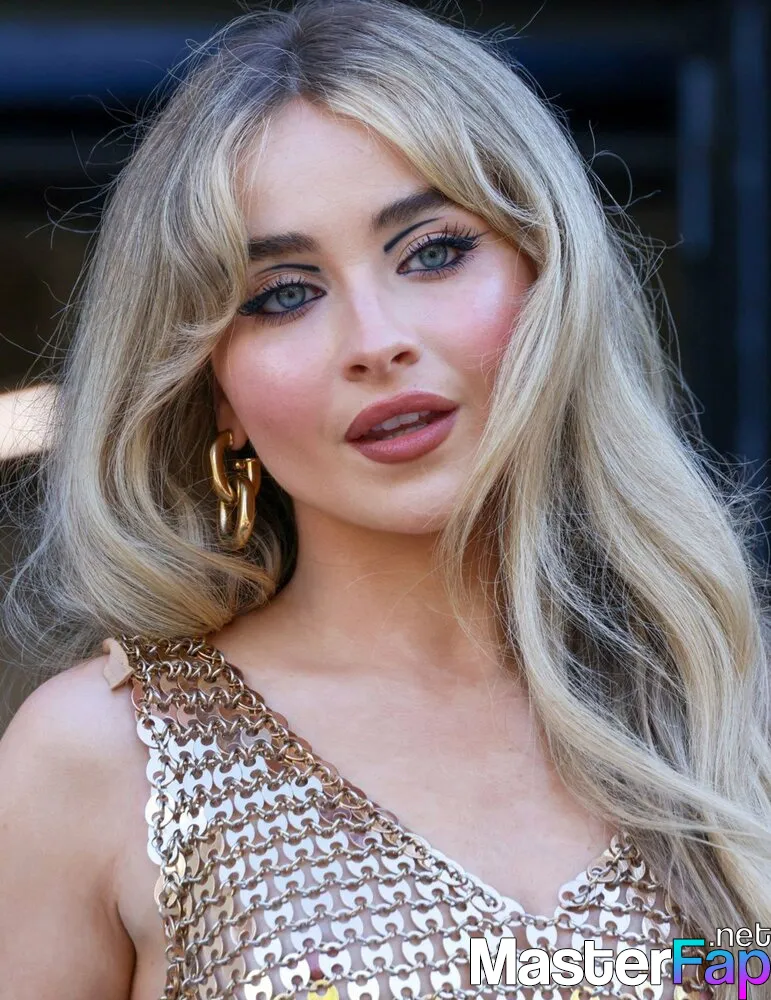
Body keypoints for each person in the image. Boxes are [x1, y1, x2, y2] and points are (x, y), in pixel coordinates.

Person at [1, 0, 769, 997]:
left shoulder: (730, 707)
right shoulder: (99, 760)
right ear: (213, 390)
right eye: (283, 293)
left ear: (550, 279)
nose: (375, 340)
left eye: (432, 252)